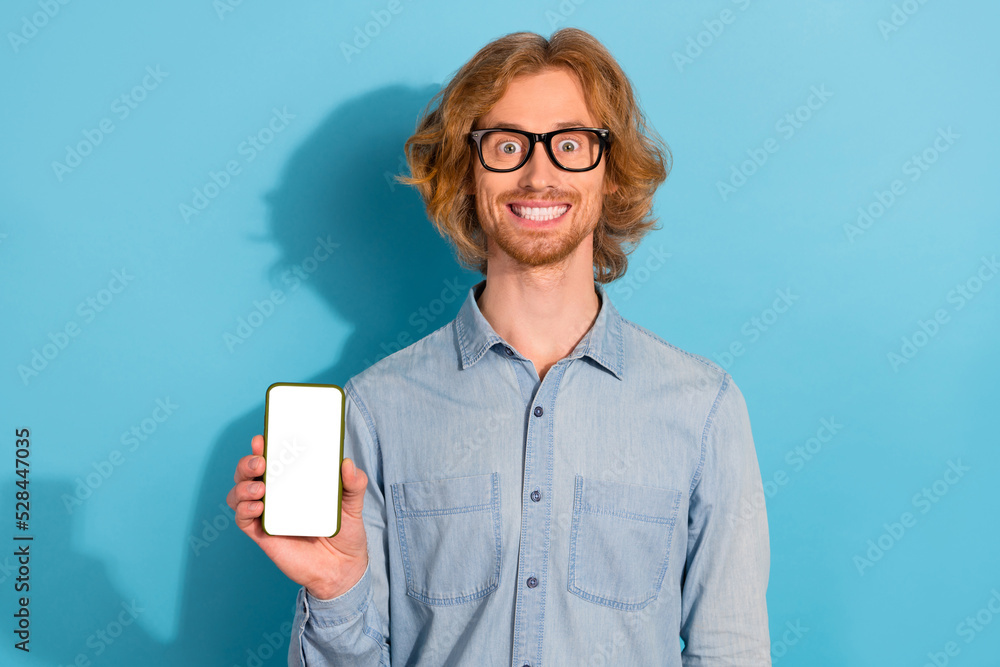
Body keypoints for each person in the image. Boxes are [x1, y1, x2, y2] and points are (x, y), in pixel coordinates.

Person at [227, 27, 771, 666]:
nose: (539, 174)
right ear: (466, 174)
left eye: (571, 144)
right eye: (506, 145)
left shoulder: (703, 408)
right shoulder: (375, 409)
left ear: (613, 175)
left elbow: (730, 653)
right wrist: (335, 588)